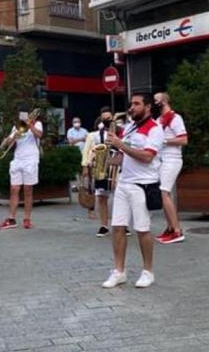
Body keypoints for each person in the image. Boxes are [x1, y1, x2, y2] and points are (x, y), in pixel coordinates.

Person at [101, 94, 163, 289]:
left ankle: (148, 271)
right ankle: (119, 271)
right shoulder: (129, 128)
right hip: (124, 183)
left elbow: (146, 157)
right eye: (131, 104)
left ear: (148, 107)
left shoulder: (155, 129)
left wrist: (120, 144)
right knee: (118, 227)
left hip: (143, 185)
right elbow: (123, 157)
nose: (132, 107)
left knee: (142, 230)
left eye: (137, 104)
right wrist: (103, 161)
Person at [0, 111, 44, 230]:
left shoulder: (37, 123)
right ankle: (11, 218)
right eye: (21, 116)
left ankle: (27, 219)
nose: (22, 117)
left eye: (24, 115)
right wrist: (13, 136)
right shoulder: (16, 126)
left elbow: (39, 135)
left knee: (28, 190)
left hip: (31, 160)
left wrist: (30, 125)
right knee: (14, 189)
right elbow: (8, 143)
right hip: (17, 160)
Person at [154, 92, 188, 245]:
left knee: (164, 192)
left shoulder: (175, 118)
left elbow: (183, 139)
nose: (154, 102)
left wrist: (164, 141)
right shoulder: (158, 120)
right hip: (162, 160)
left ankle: (176, 230)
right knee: (166, 194)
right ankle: (170, 228)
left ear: (164, 100)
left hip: (172, 159)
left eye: (156, 99)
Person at [80, 107, 116, 236]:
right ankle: (104, 225)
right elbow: (87, 150)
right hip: (101, 165)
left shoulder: (119, 132)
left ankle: (123, 225)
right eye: (104, 118)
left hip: (116, 166)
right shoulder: (94, 135)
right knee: (101, 197)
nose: (107, 120)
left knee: (120, 197)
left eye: (109, 118)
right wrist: (85, 166)